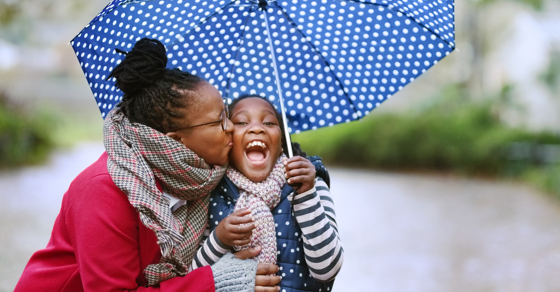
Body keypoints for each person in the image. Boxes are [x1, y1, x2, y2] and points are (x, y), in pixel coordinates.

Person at [14, 39, 281, 292]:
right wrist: (215, 282)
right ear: (176, 141)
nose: (231, 127)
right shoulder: (103, 191)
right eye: (219, 120)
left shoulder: (198, 177)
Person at [190, 95, 344, 292]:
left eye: (269, 122)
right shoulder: (210, 193)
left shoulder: (311, 185)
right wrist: (218, 240)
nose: (256, 128)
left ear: (281, 142)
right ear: (228, 140)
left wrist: (306, 195)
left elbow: (328, 270)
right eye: (241, 122)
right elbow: (193, 279)